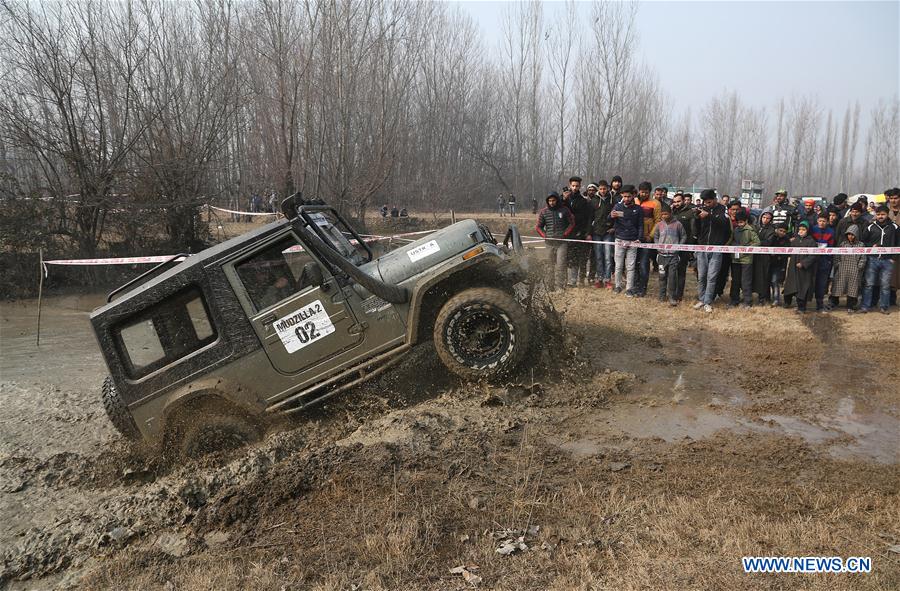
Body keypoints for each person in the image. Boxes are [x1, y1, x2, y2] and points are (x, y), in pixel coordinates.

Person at [693, 189, 731, 313]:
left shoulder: (723, 209)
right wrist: (697, 218)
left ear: (715, 199)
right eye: (705, 202)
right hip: (702, 247)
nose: (707, 204)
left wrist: (709, 216)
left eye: (709, 202)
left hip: (716, 248)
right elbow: (697, 229)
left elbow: (724, 223)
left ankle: (708, 301)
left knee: (712, 276)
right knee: (701, 276)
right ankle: (701, 299)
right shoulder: (703, 209)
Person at [859, 205, 899, 314]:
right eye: (878, 214)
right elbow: (863, 242)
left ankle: (884, 307)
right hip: (872, 259)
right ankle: (865, 306)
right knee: (869, 284)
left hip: (888, 261)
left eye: (883, 214)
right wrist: (870, 246)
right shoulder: (870, 226)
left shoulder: (895, 227)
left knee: (885, 285)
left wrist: (893, 258)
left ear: (887, 214)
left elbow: (898, 243)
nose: (880, 216)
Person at [536, 192, 575, 291]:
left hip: (561, 243)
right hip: (549, 243)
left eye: (553, 200)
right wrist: (545, 236)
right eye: (549, 201)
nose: (551, 202)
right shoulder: (544, 212)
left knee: (561, 264)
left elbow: (572, 223)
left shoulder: (565, 210)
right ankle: (550, 287)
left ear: (557, 200)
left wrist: (565, 234)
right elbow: (538, 227)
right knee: (549, 265)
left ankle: (560, 286)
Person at [610, 184, 643, 296]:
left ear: (633, 195)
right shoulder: (617, 206)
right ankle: (617, 286)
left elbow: (640, 225)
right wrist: (611, 216)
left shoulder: (638, 209)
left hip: (633, 241)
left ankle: (629, 288)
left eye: (629, 196)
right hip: (619, 239)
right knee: (618, 266)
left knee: (630, 267)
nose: (627, 198)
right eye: (624, 196)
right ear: (621, 196)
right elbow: (609, 219)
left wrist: (639, 238)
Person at [653, 203, 686, 305]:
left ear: (670, 213)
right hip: (661, 256)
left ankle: (672, 296)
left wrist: (678, 247)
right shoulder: (659, 225)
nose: (664, 216)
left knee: (672, 277)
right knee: (662, 276)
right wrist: (658, 246)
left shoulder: (678, 224)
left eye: (666, 214)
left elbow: (684, 236)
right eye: (662, 214)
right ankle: (662, 296)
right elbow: (656, 236)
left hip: (673, 256)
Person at [563, 176, 593, 287]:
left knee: (578, 258)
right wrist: (564, 199)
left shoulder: (584, 201)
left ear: (580, 186)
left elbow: (587, 218)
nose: (575, 188)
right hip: (565, 233)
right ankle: (565, 280)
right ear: (570, 185)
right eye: (573, 185)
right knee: (566, 258)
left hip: (579, 233)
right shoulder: (564, 199)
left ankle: (575, 280)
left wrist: (586, 232)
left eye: (577, 186)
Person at [829, 224, 866, 313]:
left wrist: (859, 267)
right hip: (842, 268)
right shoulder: (843, 244)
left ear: (856, 235)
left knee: (853, 288)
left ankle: (851, 305)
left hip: (855, 269)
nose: (850, 236)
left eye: (852, 234)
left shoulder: (861, 245)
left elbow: (863, 257)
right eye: (849, 234)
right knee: (837, 285)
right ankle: (833, 302)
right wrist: (838, 264)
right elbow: (837, 255)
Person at [783, 221, 818, 313]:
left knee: (803, 288)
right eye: (800, 229)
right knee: (791, 285)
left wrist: (803, 263)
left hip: (804, 270)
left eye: (803, 229)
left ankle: (802, 308)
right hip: (793, 268)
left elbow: (813, 256)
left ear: (808, 231)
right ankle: (787, 302)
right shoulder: (795, 240)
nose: (801, 231)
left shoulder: (811, 242)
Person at [635, 182, 662, 297]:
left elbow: (658, 221)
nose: (644, 194)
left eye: (646, 192)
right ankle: (635, 286)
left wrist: (650, 236)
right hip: (634, 237)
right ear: (639, 191)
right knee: (634, 264)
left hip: (646, 238)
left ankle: (642, 288)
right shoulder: (634, 201)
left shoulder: (655, 203)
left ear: (650, 192)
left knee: (644, 264)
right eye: (642, 192)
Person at [729, 209, 759, 307]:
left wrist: (747, 248)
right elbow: (732, 240)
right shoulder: (736, 230)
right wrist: (734, 246)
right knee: (735, 280)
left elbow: (757, 242)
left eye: (741, 222)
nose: (740, 224)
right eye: (738, 222)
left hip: (746, 260)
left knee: (746, 281)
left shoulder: (750, 230)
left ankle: (747, 301)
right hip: (736, 258)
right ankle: (734, 300)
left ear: (746, 221)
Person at [671, 192, 696, 301]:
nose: (676, 204)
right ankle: (671, 292)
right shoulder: (671, 212)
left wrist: (690, 247)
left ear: (684, 201)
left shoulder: (690, 212)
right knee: (671, 271)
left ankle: (679, 294)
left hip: (684, 246)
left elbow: (693, 230)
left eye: (679, 201)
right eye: (675, 202)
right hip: (671, 245)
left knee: (681, 271)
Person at [590, 181, 615, 288]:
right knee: (599, 257)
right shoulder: (593, 201)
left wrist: (614, 227)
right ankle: (600, 278)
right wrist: (589, 232)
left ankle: (607, 279)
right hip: (596, 232)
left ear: (608, 188)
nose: (603, 191)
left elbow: (617, 216)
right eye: (600, 189)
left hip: (608, 232)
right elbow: (590, 217)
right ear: (598, 189)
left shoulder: (613, 200)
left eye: (604, 189)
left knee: (608, 257)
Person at [810, 212, 835, 311]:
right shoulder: (812, 229)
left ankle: (819, 304)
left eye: (824, 221)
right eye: (820, 221)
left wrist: (829, 260)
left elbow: (831, 246)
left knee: (821, 283)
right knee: (809, 281)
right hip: (812, 259)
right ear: (817, 220)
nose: (821, 223)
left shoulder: (831, 232)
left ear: (827, 222)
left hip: (824, 260)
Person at [753, 211, 775, 305]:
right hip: (754, 255)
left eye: (768, 218)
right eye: (764, 217)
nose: (765, 220)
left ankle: (763, 297)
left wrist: (756, 242)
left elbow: (768, 242)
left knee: (763, 277)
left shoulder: (771, 230)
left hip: (764, 256)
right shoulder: (756, 227)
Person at [769, 224, 791, 306]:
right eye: (780, 230)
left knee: (775, 281)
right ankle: (769, 297)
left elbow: (787, 253)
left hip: (779, 264)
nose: (782, 233)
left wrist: (778, 255)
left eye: (784, 231)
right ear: (777, 230)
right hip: (769, 262)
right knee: (769, 281)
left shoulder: (786, 240)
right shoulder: (772, 237)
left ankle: (776, 299)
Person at [887, 188, 900, 305]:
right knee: (890, 276)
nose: (893, 201)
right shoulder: (884, 212)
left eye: (896, 198)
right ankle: (891, 300)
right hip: (888, 250)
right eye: (891, 198)